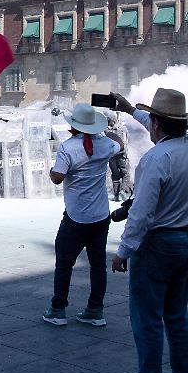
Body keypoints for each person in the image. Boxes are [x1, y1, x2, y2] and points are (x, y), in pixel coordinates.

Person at [110, 89, 188, 373]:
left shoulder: (155, 159)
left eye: (150, 120)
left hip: (158, 245)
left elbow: (142, 214)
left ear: (157, 124)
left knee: (148, 321)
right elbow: (154, 126)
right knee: (177, 317)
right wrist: (127, 110)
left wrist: (123, 250)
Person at [42, 103, 124, 328]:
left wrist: (51, 170)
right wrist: (105, 130)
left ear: (73, 127)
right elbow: (120, 143)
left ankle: (58, 309)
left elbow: (57, 177)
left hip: (76, 216)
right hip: (100, 216)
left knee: (64, 263)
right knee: (98, 265)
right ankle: (95, 310)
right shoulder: (106, 144)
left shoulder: (68, 148)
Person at [108, 112, 133, 201]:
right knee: (126, 173)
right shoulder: (123, 128)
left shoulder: (106, 131)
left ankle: (116, 195)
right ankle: (123, 191)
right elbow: (128, 139)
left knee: (115, 175)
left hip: (111, 155)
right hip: (122, 154)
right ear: (115, 120)